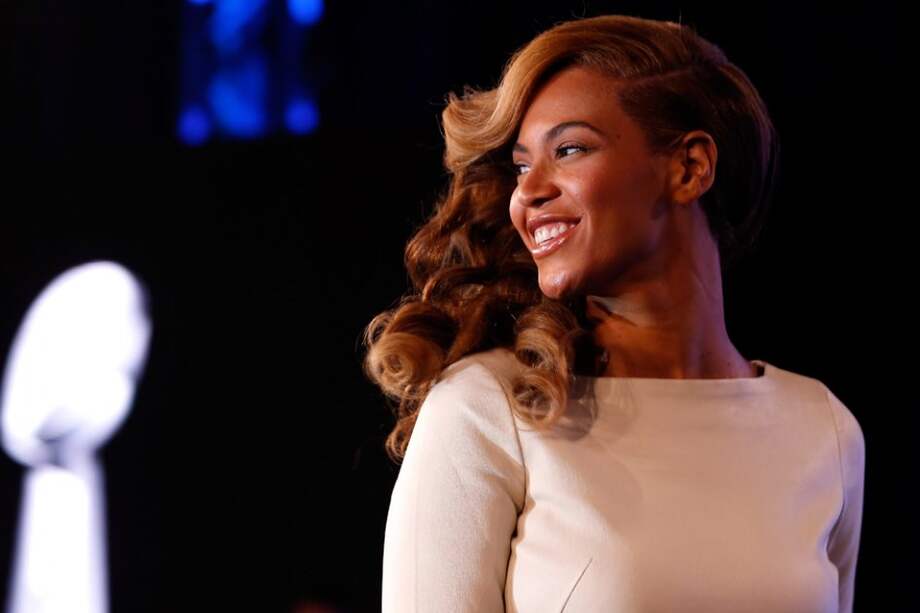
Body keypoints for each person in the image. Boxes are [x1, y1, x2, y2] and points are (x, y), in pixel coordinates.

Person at [363, 14, 865, 613]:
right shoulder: (490, 410)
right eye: (522, 166)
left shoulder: (822, 429)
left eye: (569, 149)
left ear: (689, 168)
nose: (528, 193)